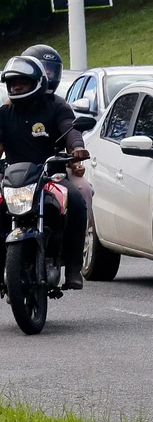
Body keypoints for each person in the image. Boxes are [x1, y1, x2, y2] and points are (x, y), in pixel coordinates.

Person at [0, 55, 88, 290]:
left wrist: (77, 147)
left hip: (51, 176)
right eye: (12, 83)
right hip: (13, 180)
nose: (16, 87)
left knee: (77, 201)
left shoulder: (56, 106)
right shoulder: (4, 114)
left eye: (22, 82)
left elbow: (70, 130)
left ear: (38, 82)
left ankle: (72, 267)